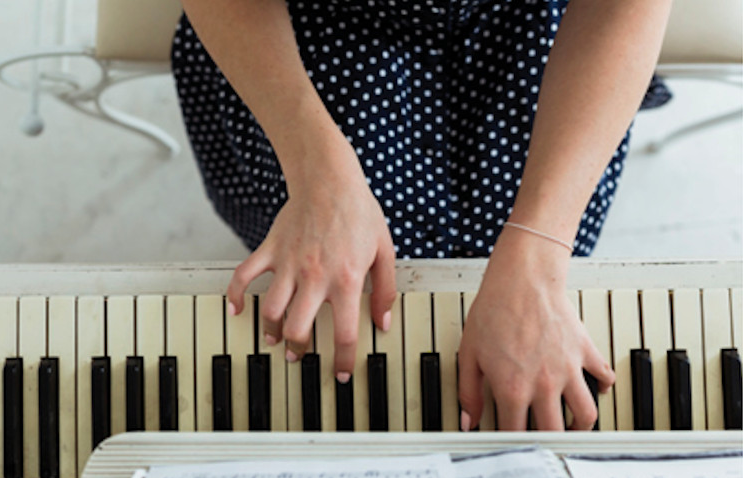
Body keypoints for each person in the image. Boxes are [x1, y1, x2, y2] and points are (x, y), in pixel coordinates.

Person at [172, 0, 673, 431]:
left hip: (532, 28)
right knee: (335, 279)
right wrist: (315, 174)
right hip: (312, 26)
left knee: (526, 279)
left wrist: (538, 252)